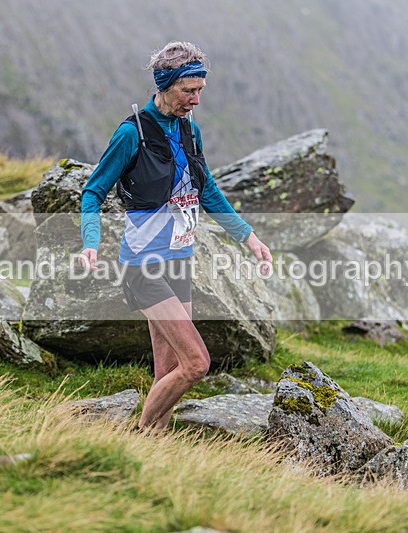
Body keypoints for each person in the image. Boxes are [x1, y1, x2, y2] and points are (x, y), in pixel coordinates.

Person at [79, 41, 272, 431]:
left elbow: (208, 191)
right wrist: (90, 242)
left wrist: (249, 237)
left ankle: (155, 449)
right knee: (197, 363)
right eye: (189, 91)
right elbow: (93, 191)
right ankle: (137, 436)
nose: (196, 99)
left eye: (200, 90)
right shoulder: (131, 134)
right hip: (144, 265)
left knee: (167, 370)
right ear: (164, 85)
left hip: (179, 260)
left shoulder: (189, 130)